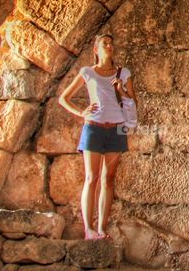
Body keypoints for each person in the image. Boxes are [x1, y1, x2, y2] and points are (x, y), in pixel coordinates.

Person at [58, 33, 137, 240]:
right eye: (105, 43)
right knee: (91, 177)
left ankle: (102, 228)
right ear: (96, 49)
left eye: (112, 43)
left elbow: (132, 101)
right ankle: (89, 229)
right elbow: (63, 98)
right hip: (93, 128)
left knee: (108, 178)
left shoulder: (123, 73)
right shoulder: (87, 72)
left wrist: (121, 89)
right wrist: (81, 112)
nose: (109, 46)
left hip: (116, 128)